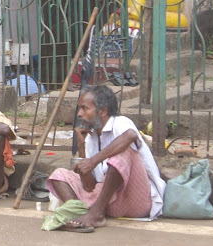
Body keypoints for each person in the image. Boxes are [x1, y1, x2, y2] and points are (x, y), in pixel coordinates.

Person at [47, 85, 166, 230]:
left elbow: (130, 135)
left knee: (121, 154)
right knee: (59, 175)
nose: (79, 114)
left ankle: (95, 214)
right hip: (108, 203)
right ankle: (78, 214)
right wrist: (81, 147)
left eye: (84, 108)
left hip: (137, 200)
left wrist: (94, 160)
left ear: (102, 111)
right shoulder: (91, 139)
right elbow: (89, 186)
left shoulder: (120, 122)